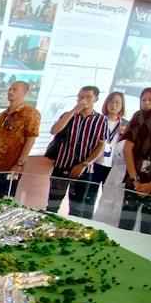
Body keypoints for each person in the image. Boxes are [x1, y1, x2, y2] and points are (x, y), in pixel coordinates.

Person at [45, 86, 107, 218]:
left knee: (77, 208)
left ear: (96, 99)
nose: (84, 100)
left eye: (88, 97)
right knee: (52, 205)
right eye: (81, 97)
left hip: (84, 169)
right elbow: (54, 131)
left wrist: (85, 163)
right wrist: (73, 111)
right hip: (62, 165)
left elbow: (102, 145)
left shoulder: (101, 120)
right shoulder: (68, 115)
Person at [118, 78, 151, 235]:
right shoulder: (141, 116)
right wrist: (135, 179)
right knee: (125, 225)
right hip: (133, 179)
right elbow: (127, 149)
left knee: (147, 228)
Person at [86, 92, 128, 215]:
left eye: (117, 102)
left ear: (122, 105)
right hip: (95, 162)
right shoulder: (98, 119)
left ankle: (101, 219)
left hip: (113, 166)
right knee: (89, 195)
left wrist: (124, 134)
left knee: (108, 197)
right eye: (111, 102)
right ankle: (87, 218)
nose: (113, 105)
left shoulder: (126, 124)